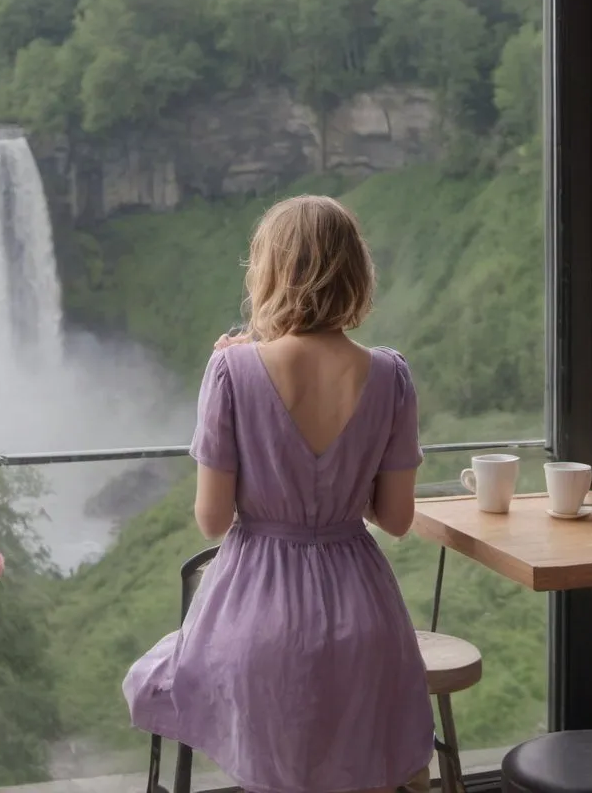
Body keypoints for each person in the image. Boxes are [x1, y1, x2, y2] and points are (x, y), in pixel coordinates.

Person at [123, 194, 434, 793]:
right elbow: (395, 518)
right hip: (365, 619)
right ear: (355, 272)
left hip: (255, 619)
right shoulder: (392, 377)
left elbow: (212, 519)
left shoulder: (232, 372)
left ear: (271, 272)